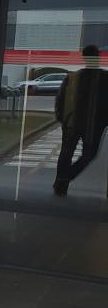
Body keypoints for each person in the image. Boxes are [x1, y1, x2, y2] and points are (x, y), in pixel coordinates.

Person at [53, 45, 107, 197]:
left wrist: (61, 117)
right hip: (91, 125)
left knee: (66, 153)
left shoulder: (74, 77)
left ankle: (62, 181)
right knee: (87, 154)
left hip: (73, 122)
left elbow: (60, 98)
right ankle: (63, 180)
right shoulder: (103, 78)